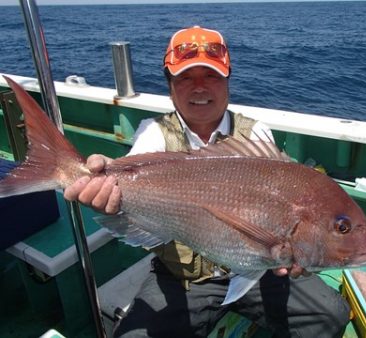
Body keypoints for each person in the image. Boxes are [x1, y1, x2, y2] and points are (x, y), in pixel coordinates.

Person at [64, 26, 350, 338]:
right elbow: (126, 179)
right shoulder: (154, 134)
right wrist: (106, 182)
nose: (199, 88)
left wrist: (301, 253)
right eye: (185, 78)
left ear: (227, 81)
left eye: (211, 76)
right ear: (170, 87)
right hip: (182, 278)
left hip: (259, 270)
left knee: (331, 314)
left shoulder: (255, 135)